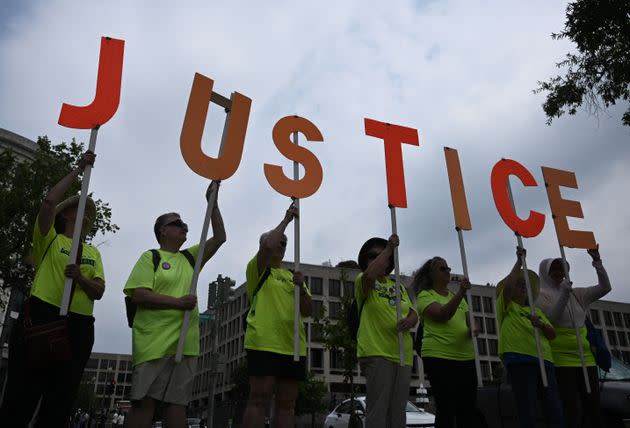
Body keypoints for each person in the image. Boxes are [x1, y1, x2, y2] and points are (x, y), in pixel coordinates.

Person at [0, 151, 105, 428]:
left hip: (79, 326)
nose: (83, 212)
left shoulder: (93, 251)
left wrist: (80, 278)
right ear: (67, 215)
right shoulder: (49, 240)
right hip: (42, 317)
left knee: (60, 401)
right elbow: (48, 202)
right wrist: (78, 169)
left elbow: (99, 290)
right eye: (77, 207)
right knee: (21, 395)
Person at [124, 181, 226, 428]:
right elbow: (139, 294)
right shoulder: (151, 257)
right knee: (144, 404)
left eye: (184, 224)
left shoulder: (190, 257)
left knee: (177, 406)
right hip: (153, 344)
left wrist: (212, 204)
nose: (184, 226)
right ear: (162, 231)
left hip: (185, 344)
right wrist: (178, 303)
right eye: (177, 223)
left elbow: (220, 237)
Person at [242, 203, 312, 428]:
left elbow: (308, 311)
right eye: (277, 241)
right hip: (264, 342)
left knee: (287, 403)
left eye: (285, 243)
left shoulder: (293, 275)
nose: (281, 244)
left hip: (292, 345)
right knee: (258, 399)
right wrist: (286, 221)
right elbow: (268, 246)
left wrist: (302, 289)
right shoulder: (258, 269)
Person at [537, 245, 611, 428]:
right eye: (553, 269)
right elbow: (551, 319)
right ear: (545, 272)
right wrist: (563, 294)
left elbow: (605, 287)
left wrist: (597, 263)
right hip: (562, 361)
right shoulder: (540, 295)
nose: (558, 272)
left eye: (561, 268)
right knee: (571, 409)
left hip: (586, 359)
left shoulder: (578, 294)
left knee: (593, 406)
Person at [355, 235, 418, 428]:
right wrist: (389, 249)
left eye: (381, 255)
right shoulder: (363, 281)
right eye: (372, 256)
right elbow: (369, 275)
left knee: (398, 412)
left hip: (402, 355)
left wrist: (409, 321)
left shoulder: (397, 286)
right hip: (377, 353)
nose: (377, 259)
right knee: (378, 411)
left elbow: (414, 313)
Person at [497, 247, 563, 428]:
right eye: (520, 285)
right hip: (520, 359)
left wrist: (540, 324)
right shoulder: (507, 306)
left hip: (545, 361)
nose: (523, 288)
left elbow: (552, 334)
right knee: (527, 410)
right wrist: (519, 262)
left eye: (525, 285)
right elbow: (508, 288)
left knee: (553, 409)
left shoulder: (537, 311)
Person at [413, 256, 478, 428]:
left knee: (468, 408)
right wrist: (461, 292)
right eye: (443, 269)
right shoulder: (425, 295)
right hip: (439, 356)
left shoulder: (460, 300)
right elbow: (443, 315)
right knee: (446, 407)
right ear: (431, 274)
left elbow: (469, 320)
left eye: (448, 268)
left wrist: (474, 327)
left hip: (465, 356)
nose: (448, 272)